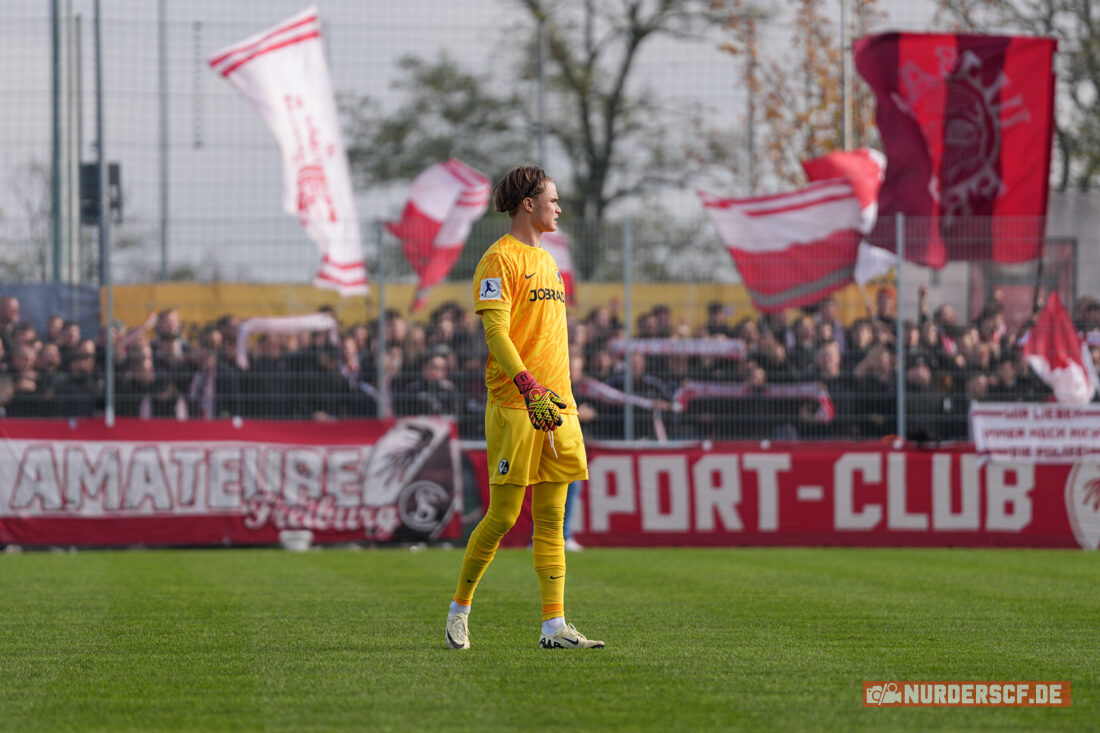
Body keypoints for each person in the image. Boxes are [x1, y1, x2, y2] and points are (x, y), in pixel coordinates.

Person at [445, 165, 603, 651]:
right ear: (528, 204)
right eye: (552, 199)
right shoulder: (498, 260)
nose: (558, 207)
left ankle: (554, 626)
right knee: (505, 516)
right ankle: (459, 610)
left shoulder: (550, 261)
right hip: (517, 402)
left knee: (553, 519)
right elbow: (496, 333)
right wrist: (528, 384)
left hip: (558, 406)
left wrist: (553, 393)